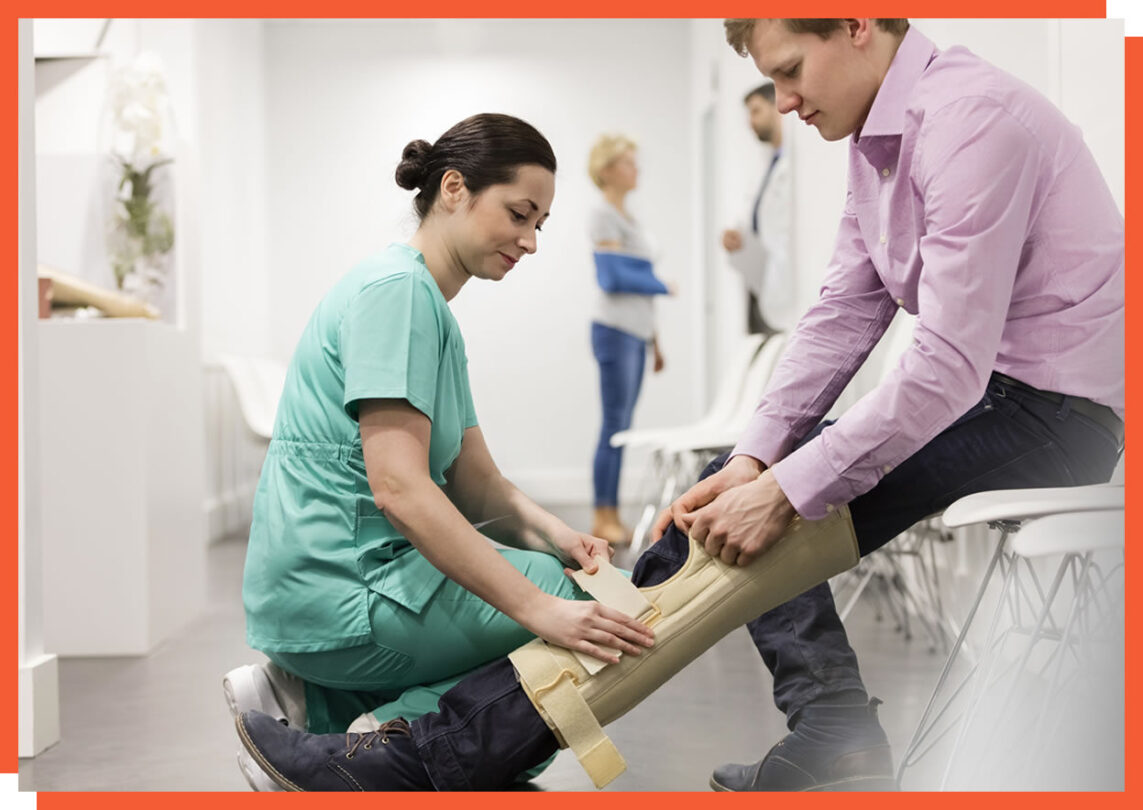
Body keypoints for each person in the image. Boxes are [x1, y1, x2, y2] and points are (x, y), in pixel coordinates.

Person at [230, 18, 1123, 792]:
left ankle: (432, 757)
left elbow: (948, 366)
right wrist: (748, 463)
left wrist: (782, 491)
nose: (781, 103)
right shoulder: (872, 144)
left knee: (763, 527)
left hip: (1052, 415)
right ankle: (833, 732)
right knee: (720, 495)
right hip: (990, 401)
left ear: (855, 24)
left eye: (787, 74)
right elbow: (843, 314)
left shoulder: (973, 120)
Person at [223, 113, 655, 787]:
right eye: (519, 214)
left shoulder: (427, 307)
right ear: (454, 188)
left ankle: (328, 711)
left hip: (347, 578)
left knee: (555, 576)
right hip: (339, 588)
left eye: (539, 223)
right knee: (561, 603)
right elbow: (398, 489)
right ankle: (379, 752)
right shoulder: (397, 295)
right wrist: (541, 603)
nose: (530, 240)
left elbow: (479, 484)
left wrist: (557, 533)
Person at [586, 134, 674, 545]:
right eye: (627, 162)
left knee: (621, 424)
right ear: (606, 170)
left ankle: (610, 512)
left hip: (636, 334)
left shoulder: (630, 220)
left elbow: (633, 285)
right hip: (614, 331)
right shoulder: (602, 215)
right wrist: (660, 283)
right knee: (614, 426)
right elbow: (612, 278)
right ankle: (604, 515)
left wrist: (655, 342)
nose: (636, 169)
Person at [721, 82, 794, 334]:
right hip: (758, 278)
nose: (750, 122)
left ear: (777, 107)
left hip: (783, 282)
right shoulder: (767, 163)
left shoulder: (792, 164)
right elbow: (758, 220)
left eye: (756, 111)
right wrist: (737, 236)